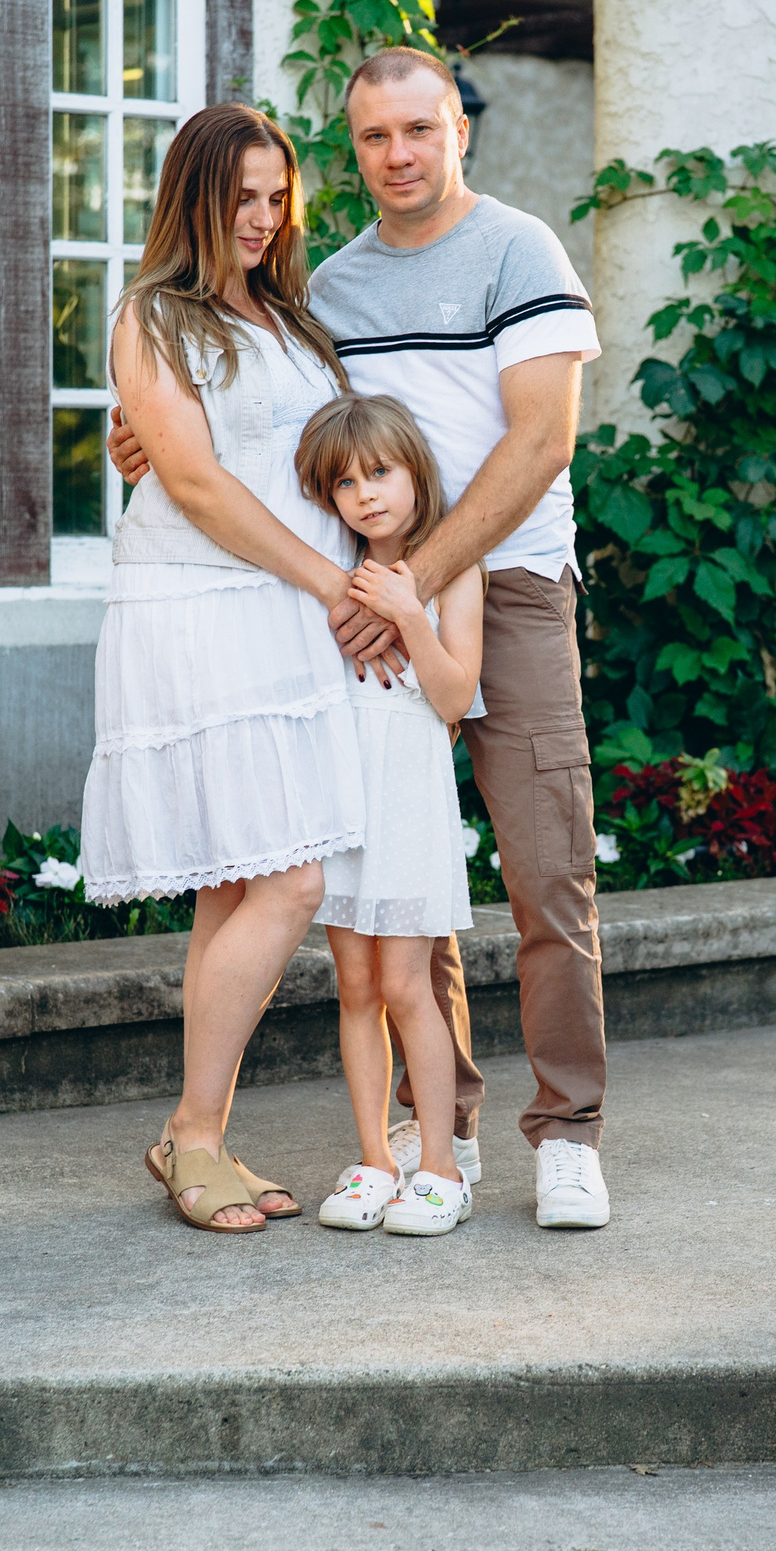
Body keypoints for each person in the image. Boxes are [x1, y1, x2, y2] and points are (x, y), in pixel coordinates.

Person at [115, 46, 612, 1229]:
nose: (398, 155)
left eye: (420, 130)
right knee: (399, 883)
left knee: (547, 869)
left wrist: (409, 581)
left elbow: (541, 442)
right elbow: (275, 430)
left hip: (496, 586)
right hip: (349, 609)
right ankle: (444, 1131)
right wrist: (147, 444)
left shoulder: (519, 250)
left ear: (458, 131)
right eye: (375, 136)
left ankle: (568, 1133)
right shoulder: (323, 292)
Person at [81, 104, 364, 1234]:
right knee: (291, 881)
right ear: (193, 196)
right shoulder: (153, 314)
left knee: (236, 882)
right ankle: (194, 1133)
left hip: (283, 609)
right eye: (241, 196)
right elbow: (195, 483)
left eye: (276, 197)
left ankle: (195, 1134)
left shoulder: (290, 318)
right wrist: (332, 582)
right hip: (199, 608)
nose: (261, 217)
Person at [290, 394, 487, 1237]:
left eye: (379, 472)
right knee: (357, 986)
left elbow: (455, 697)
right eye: (345, 483)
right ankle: (376, 1159)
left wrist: (410, 611)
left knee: (408, 984)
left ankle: (441, 1166)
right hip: (345, 797)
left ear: (415, 472)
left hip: (407, 798)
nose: (365, 493)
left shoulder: (455, 571)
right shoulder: (332, 575)